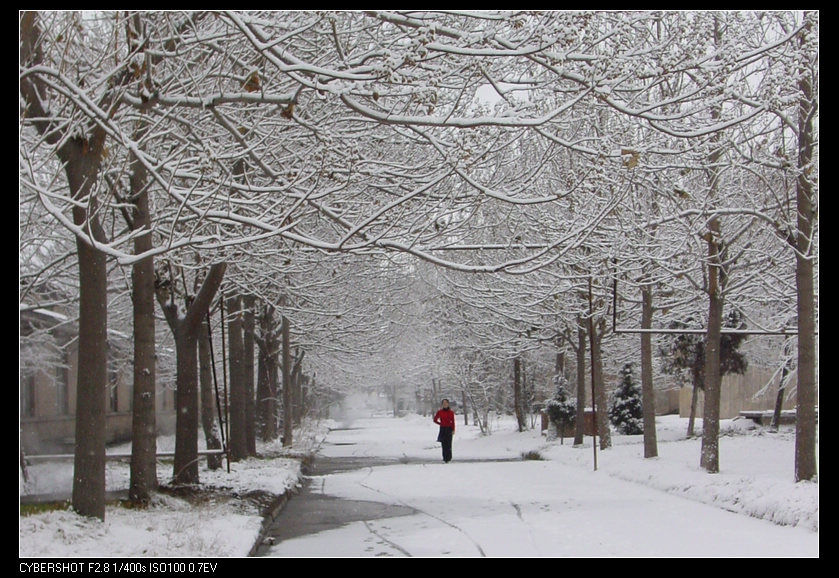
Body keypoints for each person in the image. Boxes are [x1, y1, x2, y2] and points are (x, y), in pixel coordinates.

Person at [433, 399, 455, 463]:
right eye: (443, 403)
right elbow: (435, 420)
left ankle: (449, 457)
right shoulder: (440, 412)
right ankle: (445, 458)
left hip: (449, 429)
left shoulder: (451, 412)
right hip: (443, 429)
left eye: (446, 403)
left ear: (448, 404)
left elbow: (453, 421)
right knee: (444, 444)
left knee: (449, 444)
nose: (445, 404)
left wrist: (453, 429)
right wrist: (440, 423)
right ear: (442, 404)